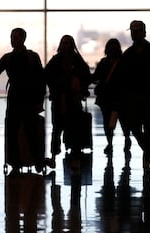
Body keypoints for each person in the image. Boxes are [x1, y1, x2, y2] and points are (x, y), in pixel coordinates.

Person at [111, 20, 150, 173]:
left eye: (137, 31)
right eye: (134, 31)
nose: (135, 34)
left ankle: (146, 160)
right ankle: (147, 151)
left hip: (144, 98)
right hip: (138, 98)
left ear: (143, 32)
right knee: (138, 129)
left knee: (142, 129)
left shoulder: (134, 54)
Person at [0, 27, 46, 172]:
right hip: (21, 96)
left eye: (15, 37)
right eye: (12, 37)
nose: (13, 40)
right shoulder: (28, 57)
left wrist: (39, 100)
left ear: (23, 39)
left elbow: (40, 79)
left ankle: (28, 161)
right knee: (17, 130)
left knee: (26, 130)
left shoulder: (17, 57)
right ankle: (30, 161)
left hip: (22, 96)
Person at [44, 35, 91, 168]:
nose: (66, 46)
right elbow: (87, 76)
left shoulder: (57, 60)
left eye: (67, 43)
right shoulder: (76, 60)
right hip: (66, 99)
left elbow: (47, 75)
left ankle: (58, 155)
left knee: (63, 129)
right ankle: (68, 157)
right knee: (61, 129)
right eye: (64, 43)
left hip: (65, 99)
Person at [92, 38, 131, 155]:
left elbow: (95, 78)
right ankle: (126, 138)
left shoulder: (103, 63)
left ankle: (110, 143)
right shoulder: (124, 62)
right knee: (124, 121)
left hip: (106, 98)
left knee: (108, 123)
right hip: (120, 98)